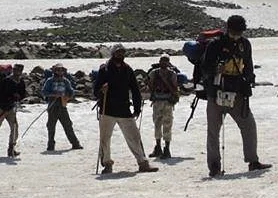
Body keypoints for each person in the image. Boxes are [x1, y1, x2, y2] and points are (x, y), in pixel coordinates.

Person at [201, 15, 271, 176]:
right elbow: (205, 68)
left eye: (239, 32)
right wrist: (214, 73)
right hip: (216, 93)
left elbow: (248, 66)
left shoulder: (245, 44)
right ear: (228, 29)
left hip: (238, 92)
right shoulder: (215, 45)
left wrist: (249, 80)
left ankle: (253, 160)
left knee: (249, 125)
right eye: (235, 31)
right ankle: (214, 166)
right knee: (213, 131)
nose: (237, 34)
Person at [93, 44, 158, 174]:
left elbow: (135, 90)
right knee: (105, 138)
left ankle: (142, 162)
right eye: (118, 52)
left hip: (124, 108)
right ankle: (107, 164)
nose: (120, 54)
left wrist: (137, 107)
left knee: (134, 136)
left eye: (122, 52)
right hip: (108, 109)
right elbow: (96, 90)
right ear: (113, 53)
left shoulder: (127, 69)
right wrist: (101, 89)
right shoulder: (104, 69)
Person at [41, 63, 83, 151]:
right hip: (52, 106)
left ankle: (75, 144)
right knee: (51, 126)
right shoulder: (49, 81)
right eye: (58, 70)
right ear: (54, 71)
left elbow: (71, 92)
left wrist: (67, 96)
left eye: (61, 70)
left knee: (68, 125)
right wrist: (53, 95)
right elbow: (44, 92)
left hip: (62, 105)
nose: (60, 71)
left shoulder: (66, 81)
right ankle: (50, 146)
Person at [0, 64, 27, 158]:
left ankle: (11, 149)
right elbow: (1, 94)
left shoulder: (21, 82)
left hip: (11, 108)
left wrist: (19, 97)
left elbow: (22, 93)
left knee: (15, 129)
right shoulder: (5, 81)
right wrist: (12, 97)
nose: (17, 72)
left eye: (19, 70)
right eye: (15, 70)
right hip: (0, 108)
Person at [147, 55, 179, 159]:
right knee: (157, 124)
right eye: (162, 61)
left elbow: (175, 89)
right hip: (158, 101)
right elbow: (150, 85)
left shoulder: (172, 74)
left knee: (167, 124)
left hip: (167, 101)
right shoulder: (154, 73)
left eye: (165, 61)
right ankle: (159, 147)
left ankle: (166, 148)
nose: (163, 63)